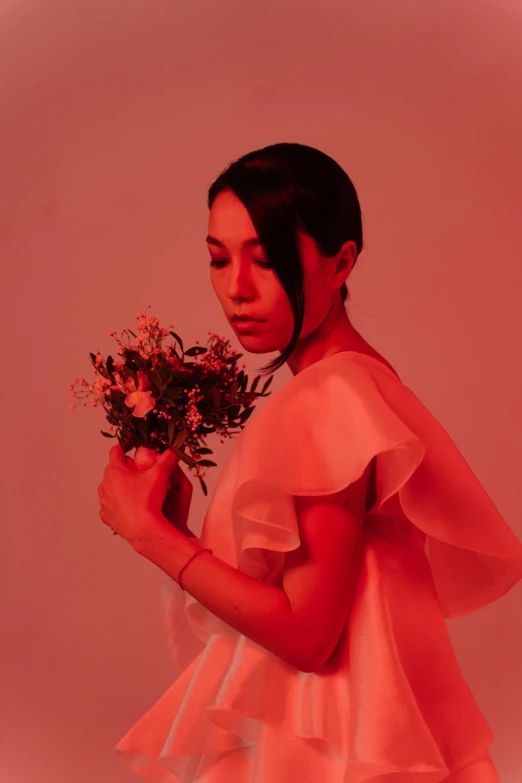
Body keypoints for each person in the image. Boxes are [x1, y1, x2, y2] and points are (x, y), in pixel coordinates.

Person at [115, 143, 522, 782]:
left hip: (330, 739)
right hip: (360, 722)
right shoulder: (364, 379)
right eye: (218, 259)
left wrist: (152, 538)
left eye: (269, 260)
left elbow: (309, 637)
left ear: (343, 262)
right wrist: (182, 535)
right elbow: (323, 593)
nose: (236, 288)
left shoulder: (325, 396)